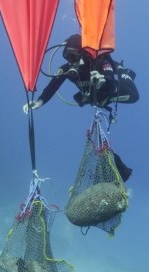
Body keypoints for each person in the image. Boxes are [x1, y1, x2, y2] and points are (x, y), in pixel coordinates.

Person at [23, 34, 138, 182]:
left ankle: (121, 69)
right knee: (89, 100)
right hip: (95, 97)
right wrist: (39, 102)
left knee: (134, 96)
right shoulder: (67, 69)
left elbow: (109, 79)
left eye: (74, 56)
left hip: (110, 91)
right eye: (67, 56)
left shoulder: (100, 62)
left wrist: (103, 81)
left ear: (83, 54)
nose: (71, 61)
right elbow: (53, 86)